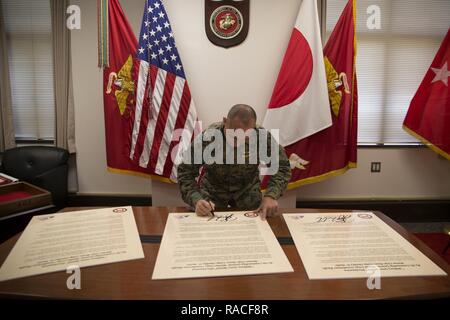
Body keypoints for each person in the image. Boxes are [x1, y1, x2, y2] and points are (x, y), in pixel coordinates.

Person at [177, 104, 291, 220]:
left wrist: (271, 196)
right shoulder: (209, 137)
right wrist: (196, 200)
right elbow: (185, 172)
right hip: (212, 196)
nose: (237, 142)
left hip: (248, 194)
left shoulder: (260, 136)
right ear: (225, 121)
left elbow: (282, 167)